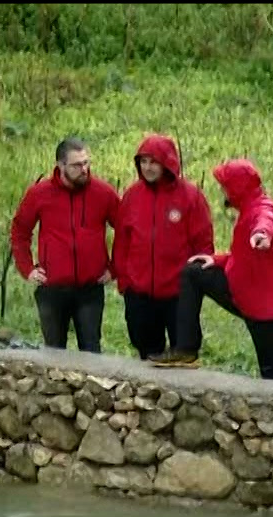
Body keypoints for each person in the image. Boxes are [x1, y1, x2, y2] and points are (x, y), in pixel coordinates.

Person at [154, 158, 273, 380]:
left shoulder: (262, 210)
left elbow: (266, 222)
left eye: (225, 187)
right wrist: (216, 260)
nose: (223, 193)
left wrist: (262, 235)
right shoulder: (249, 208)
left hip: (268, 312)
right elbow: (242, 256)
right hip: (246, 296)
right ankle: (185, 349)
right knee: (194, 271)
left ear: (237, 188)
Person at [109, 133, 215, 360]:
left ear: (167, 162)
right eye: (143, 162)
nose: (147, 168)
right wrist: (125, 282)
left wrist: (197, 284)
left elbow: (203, 244)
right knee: (146, 353)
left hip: (179, 293)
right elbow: (122, 241)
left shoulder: (191, 197)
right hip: (139, 293)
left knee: (185, 355)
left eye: (153, 161)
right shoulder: (132, 196)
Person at [9, 136, 119, 353]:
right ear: (60, 165)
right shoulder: (40, 194)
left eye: (86, 162)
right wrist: (27, 269)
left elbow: (127, 229)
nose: (84, 169)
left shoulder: (103, 193)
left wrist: (115, 268)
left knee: (91, 350)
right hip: (52, 288)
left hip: (90, 289)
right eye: (77, 165)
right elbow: (20, 230)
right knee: (54, 352)